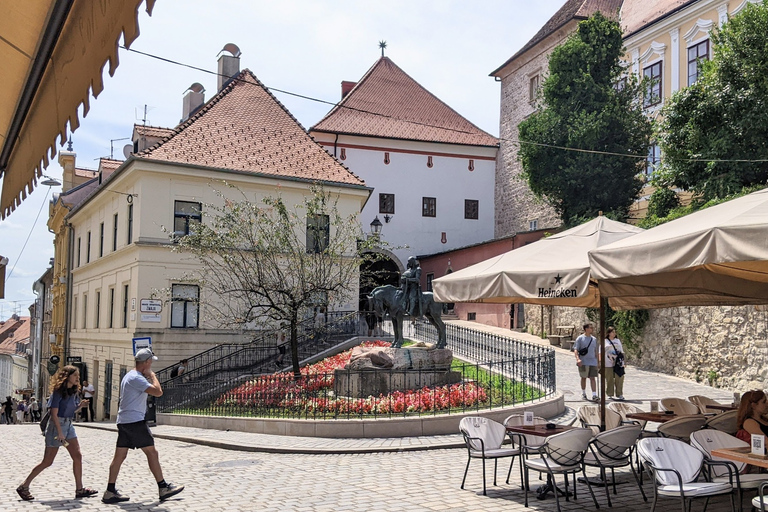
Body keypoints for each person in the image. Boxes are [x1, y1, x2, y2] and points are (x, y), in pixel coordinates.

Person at [102, 348, 184, 504]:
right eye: (151, 362)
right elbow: (158, 392)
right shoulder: (137, 378)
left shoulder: (130, 376)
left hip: (125, 420)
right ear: (146, 362)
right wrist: (153, 376)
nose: (152, 364)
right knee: (152, 453)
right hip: (134, 421)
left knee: (119, 456)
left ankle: (110, 491)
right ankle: (163, 487)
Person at [16, 365, 97, 501]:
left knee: (77, 456)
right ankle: (24, 486)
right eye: (75, 375)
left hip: (68, 425)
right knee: (47, 461)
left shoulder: (73, 391)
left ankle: (80, 489)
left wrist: (80, 406)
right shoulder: (58, 391)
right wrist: (60, 433)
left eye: (78, 375)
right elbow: (54, 414)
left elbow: (70, 411)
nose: (78, 378)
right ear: (67, 376)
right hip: (56, 426)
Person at [573, 322, 599, 401]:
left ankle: (594, 395)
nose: (592, 329)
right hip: (584, 361)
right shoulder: (580, 338)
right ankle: (583, 393)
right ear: (586, 329)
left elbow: (596, 351)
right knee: (583, 377)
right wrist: (578, 359)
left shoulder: (594, 339)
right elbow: (576, 349)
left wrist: (598, 362)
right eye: (590, 327)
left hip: (593, 361)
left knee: (592, 378)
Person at [603, 327, 625, 401]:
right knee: (609, 379)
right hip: (608, 362)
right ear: (609, 333)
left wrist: (624, 362)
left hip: (618, 362)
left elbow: (621, 351)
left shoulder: (617, 340)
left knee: (619, 377)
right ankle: (609, 393)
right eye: (612, 332)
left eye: (614, 332)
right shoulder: (605, 341)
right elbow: (601, 351)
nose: (614, 333)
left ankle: (619, 393)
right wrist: (600, 361)